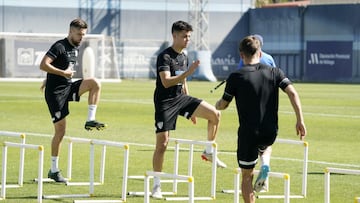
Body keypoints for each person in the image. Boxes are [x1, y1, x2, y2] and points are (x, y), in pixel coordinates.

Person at [215, 35, 306, 203]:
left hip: (248, 134)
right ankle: (265, 160)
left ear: (241, 55)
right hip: (270, 131)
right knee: (265, 146)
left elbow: (224, 104)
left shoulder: (236, 76)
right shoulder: (275, 72)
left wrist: (217, 105)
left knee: (246, 177)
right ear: (260, 52)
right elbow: (293, 93)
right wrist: (300, 120)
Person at [152, 20, 227, 199]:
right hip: (165, 102)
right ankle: (156, 186)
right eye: (184, 36)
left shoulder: (184, 56)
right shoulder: (165, 56)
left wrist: (191, 108)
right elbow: (166, 81)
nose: (187, 40)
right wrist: (189, 73)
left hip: (181, 99)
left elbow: (183, 82)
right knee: (162, 144)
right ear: (175, 36)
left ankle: (208, 152)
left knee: (215, 115)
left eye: (189, 37)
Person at [40, 18, 107, 183]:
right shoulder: (59, 46)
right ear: (70, 32)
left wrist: (55, 76)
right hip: (55, 94)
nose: (81, 37)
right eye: (79, 34)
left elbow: (60, 67)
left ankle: (90, 119)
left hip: (68, 87)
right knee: (61, 131)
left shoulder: (76, 48)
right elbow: (43, 65)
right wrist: (59, 75)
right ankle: (54, 170)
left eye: (83, 34)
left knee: (95, 83)